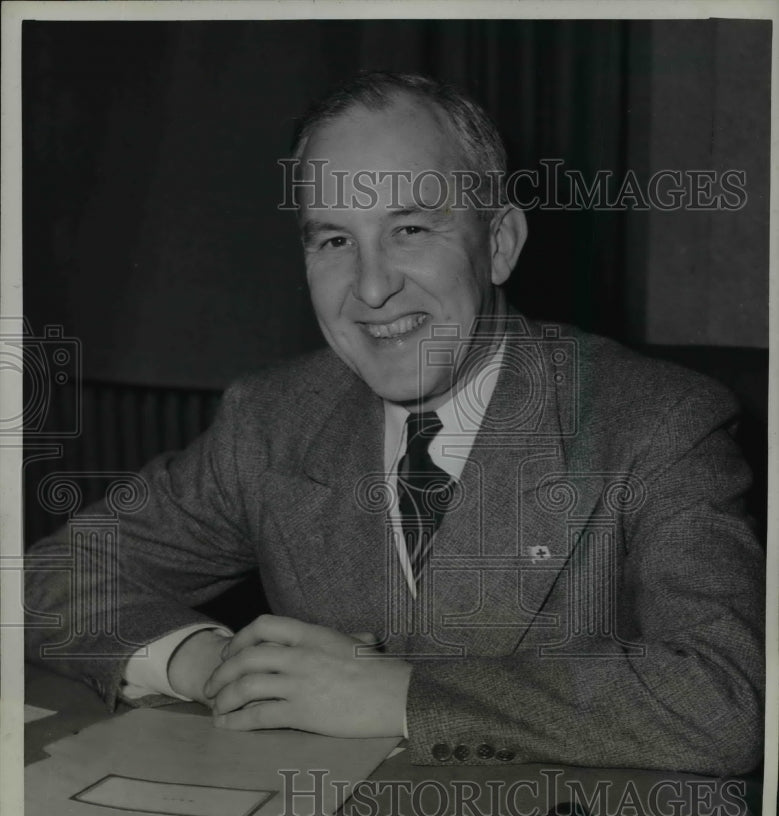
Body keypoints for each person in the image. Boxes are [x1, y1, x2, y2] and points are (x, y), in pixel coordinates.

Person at [24, 72, 764, 776]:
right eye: (334, 240)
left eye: (409, 228)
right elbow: (51, 577)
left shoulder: (657, 423)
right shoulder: (273, 418)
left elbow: (728, 699)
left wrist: (404, 695)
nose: (372, 288)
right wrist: (214, 664)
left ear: (499, 243)